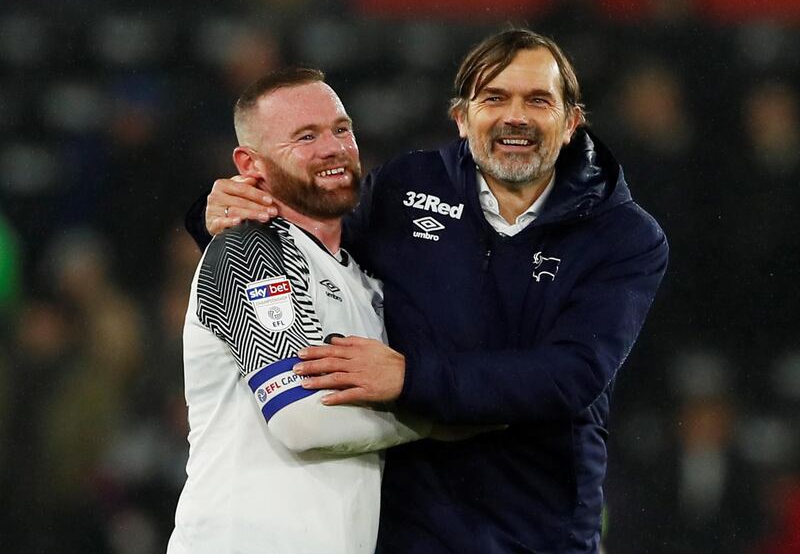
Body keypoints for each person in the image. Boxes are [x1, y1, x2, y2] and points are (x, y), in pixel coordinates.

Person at [187, 29, 669, 554]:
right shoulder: (405, 189)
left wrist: (411, 380)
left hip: (537, 533)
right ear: (461, 118)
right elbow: (309, 230)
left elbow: (571, 375)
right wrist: (215, 215)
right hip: (411, 533)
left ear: (572, 120)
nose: (516, 117)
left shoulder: (623, 237)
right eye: (494, 98)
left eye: (538, 99)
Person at [169, 67, 432, 554]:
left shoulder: (364, 280)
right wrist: (442, 416)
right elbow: (303, 420)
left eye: (341, 128)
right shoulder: (248, 248)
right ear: (251, 164)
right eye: (305, 136)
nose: (332, 147)